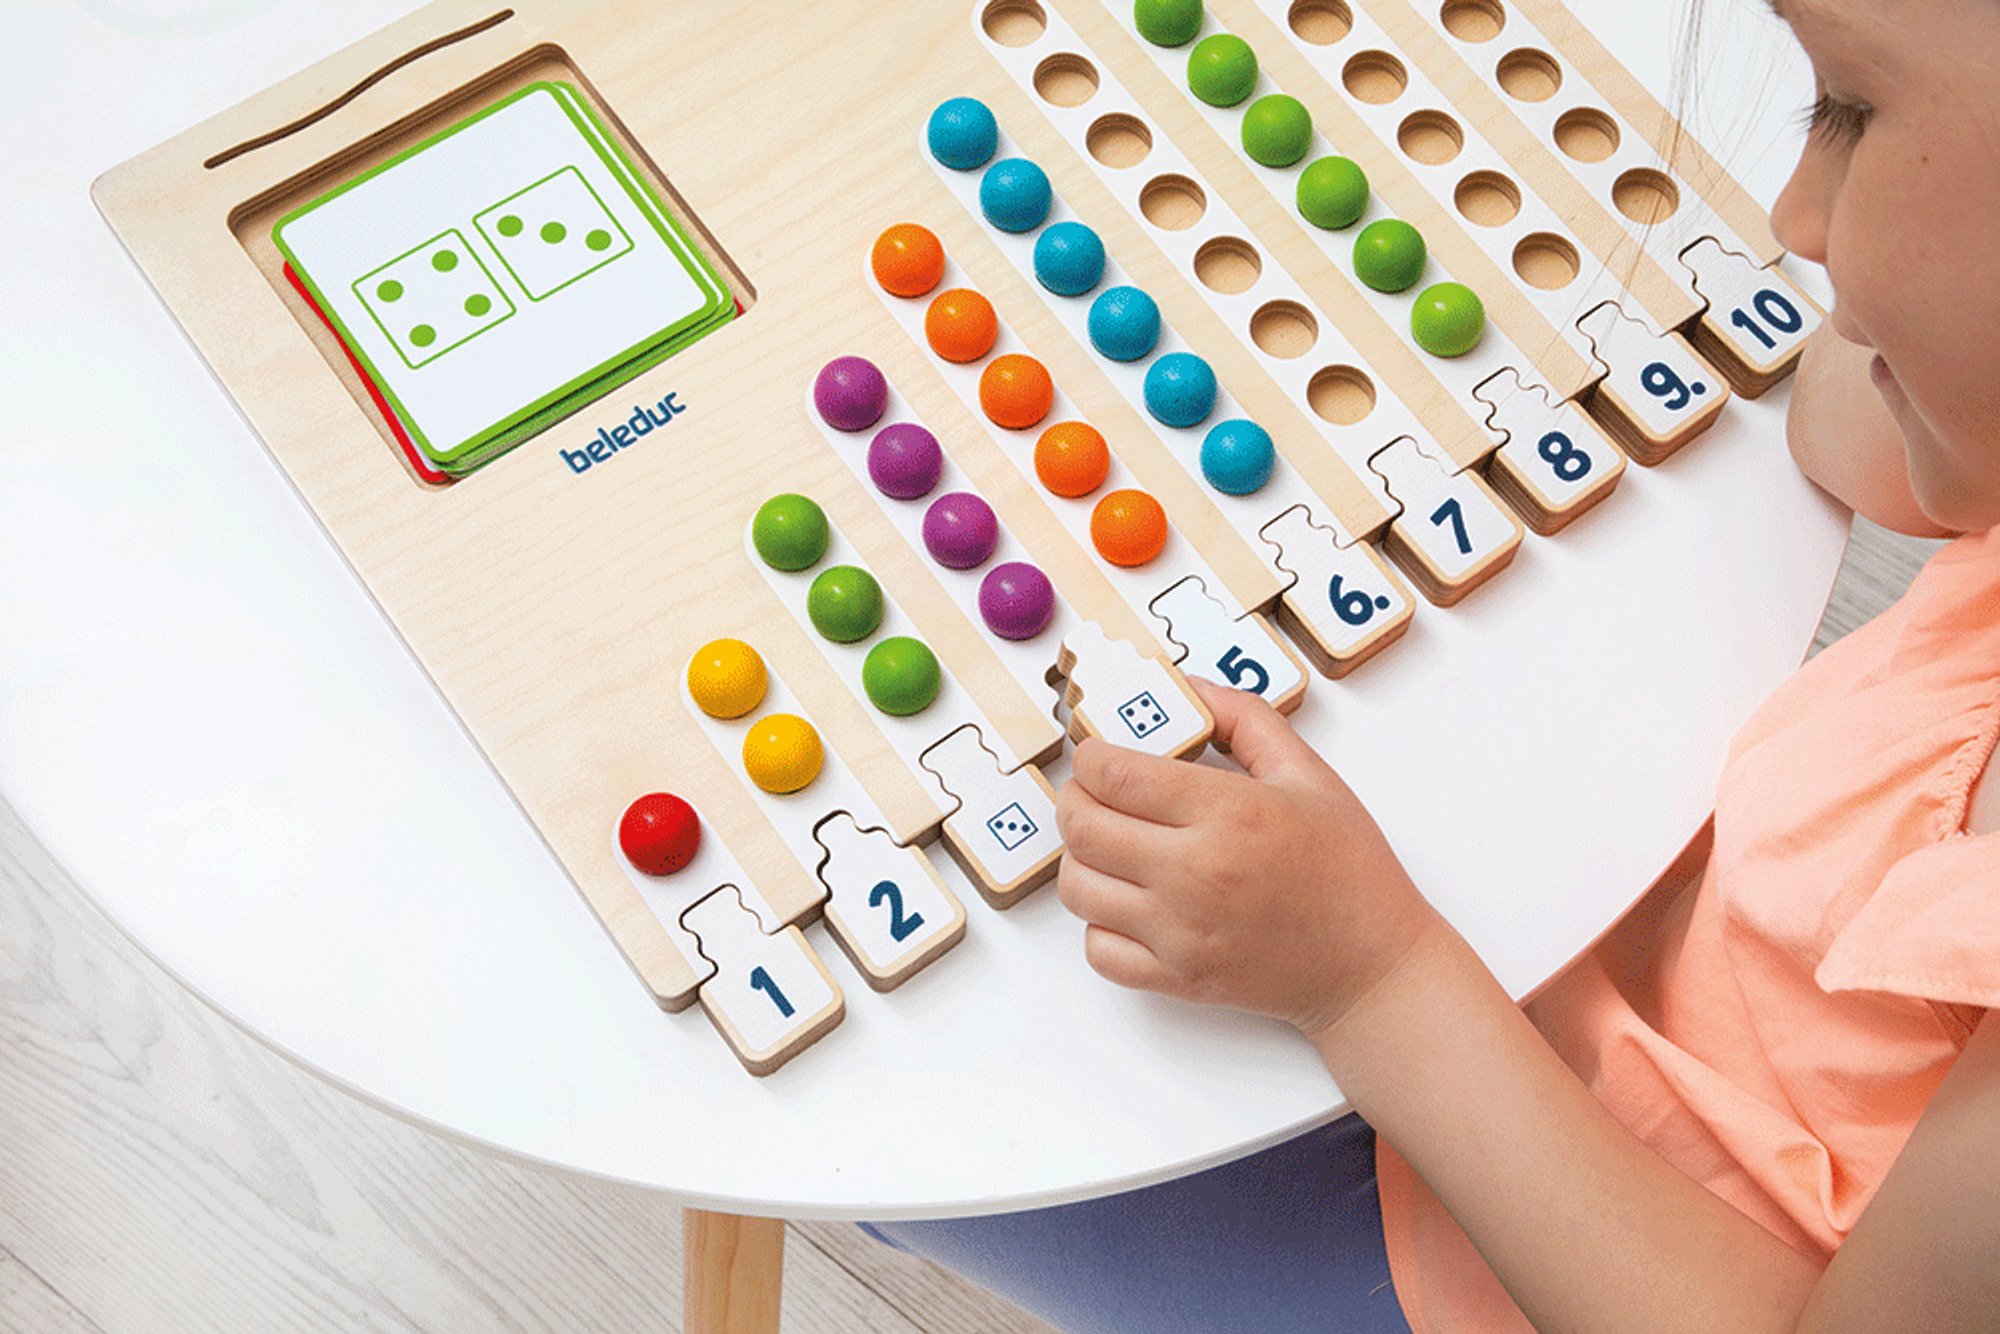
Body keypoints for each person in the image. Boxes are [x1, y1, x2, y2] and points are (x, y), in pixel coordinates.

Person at [866, 0, 2000, 1329]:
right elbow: (1842, 432)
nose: (1795, 217)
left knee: (903, 1144)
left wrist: (1372, 974)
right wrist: (1924, 350)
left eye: (1852, 113)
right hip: (1593, 989)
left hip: (1525, 1261)